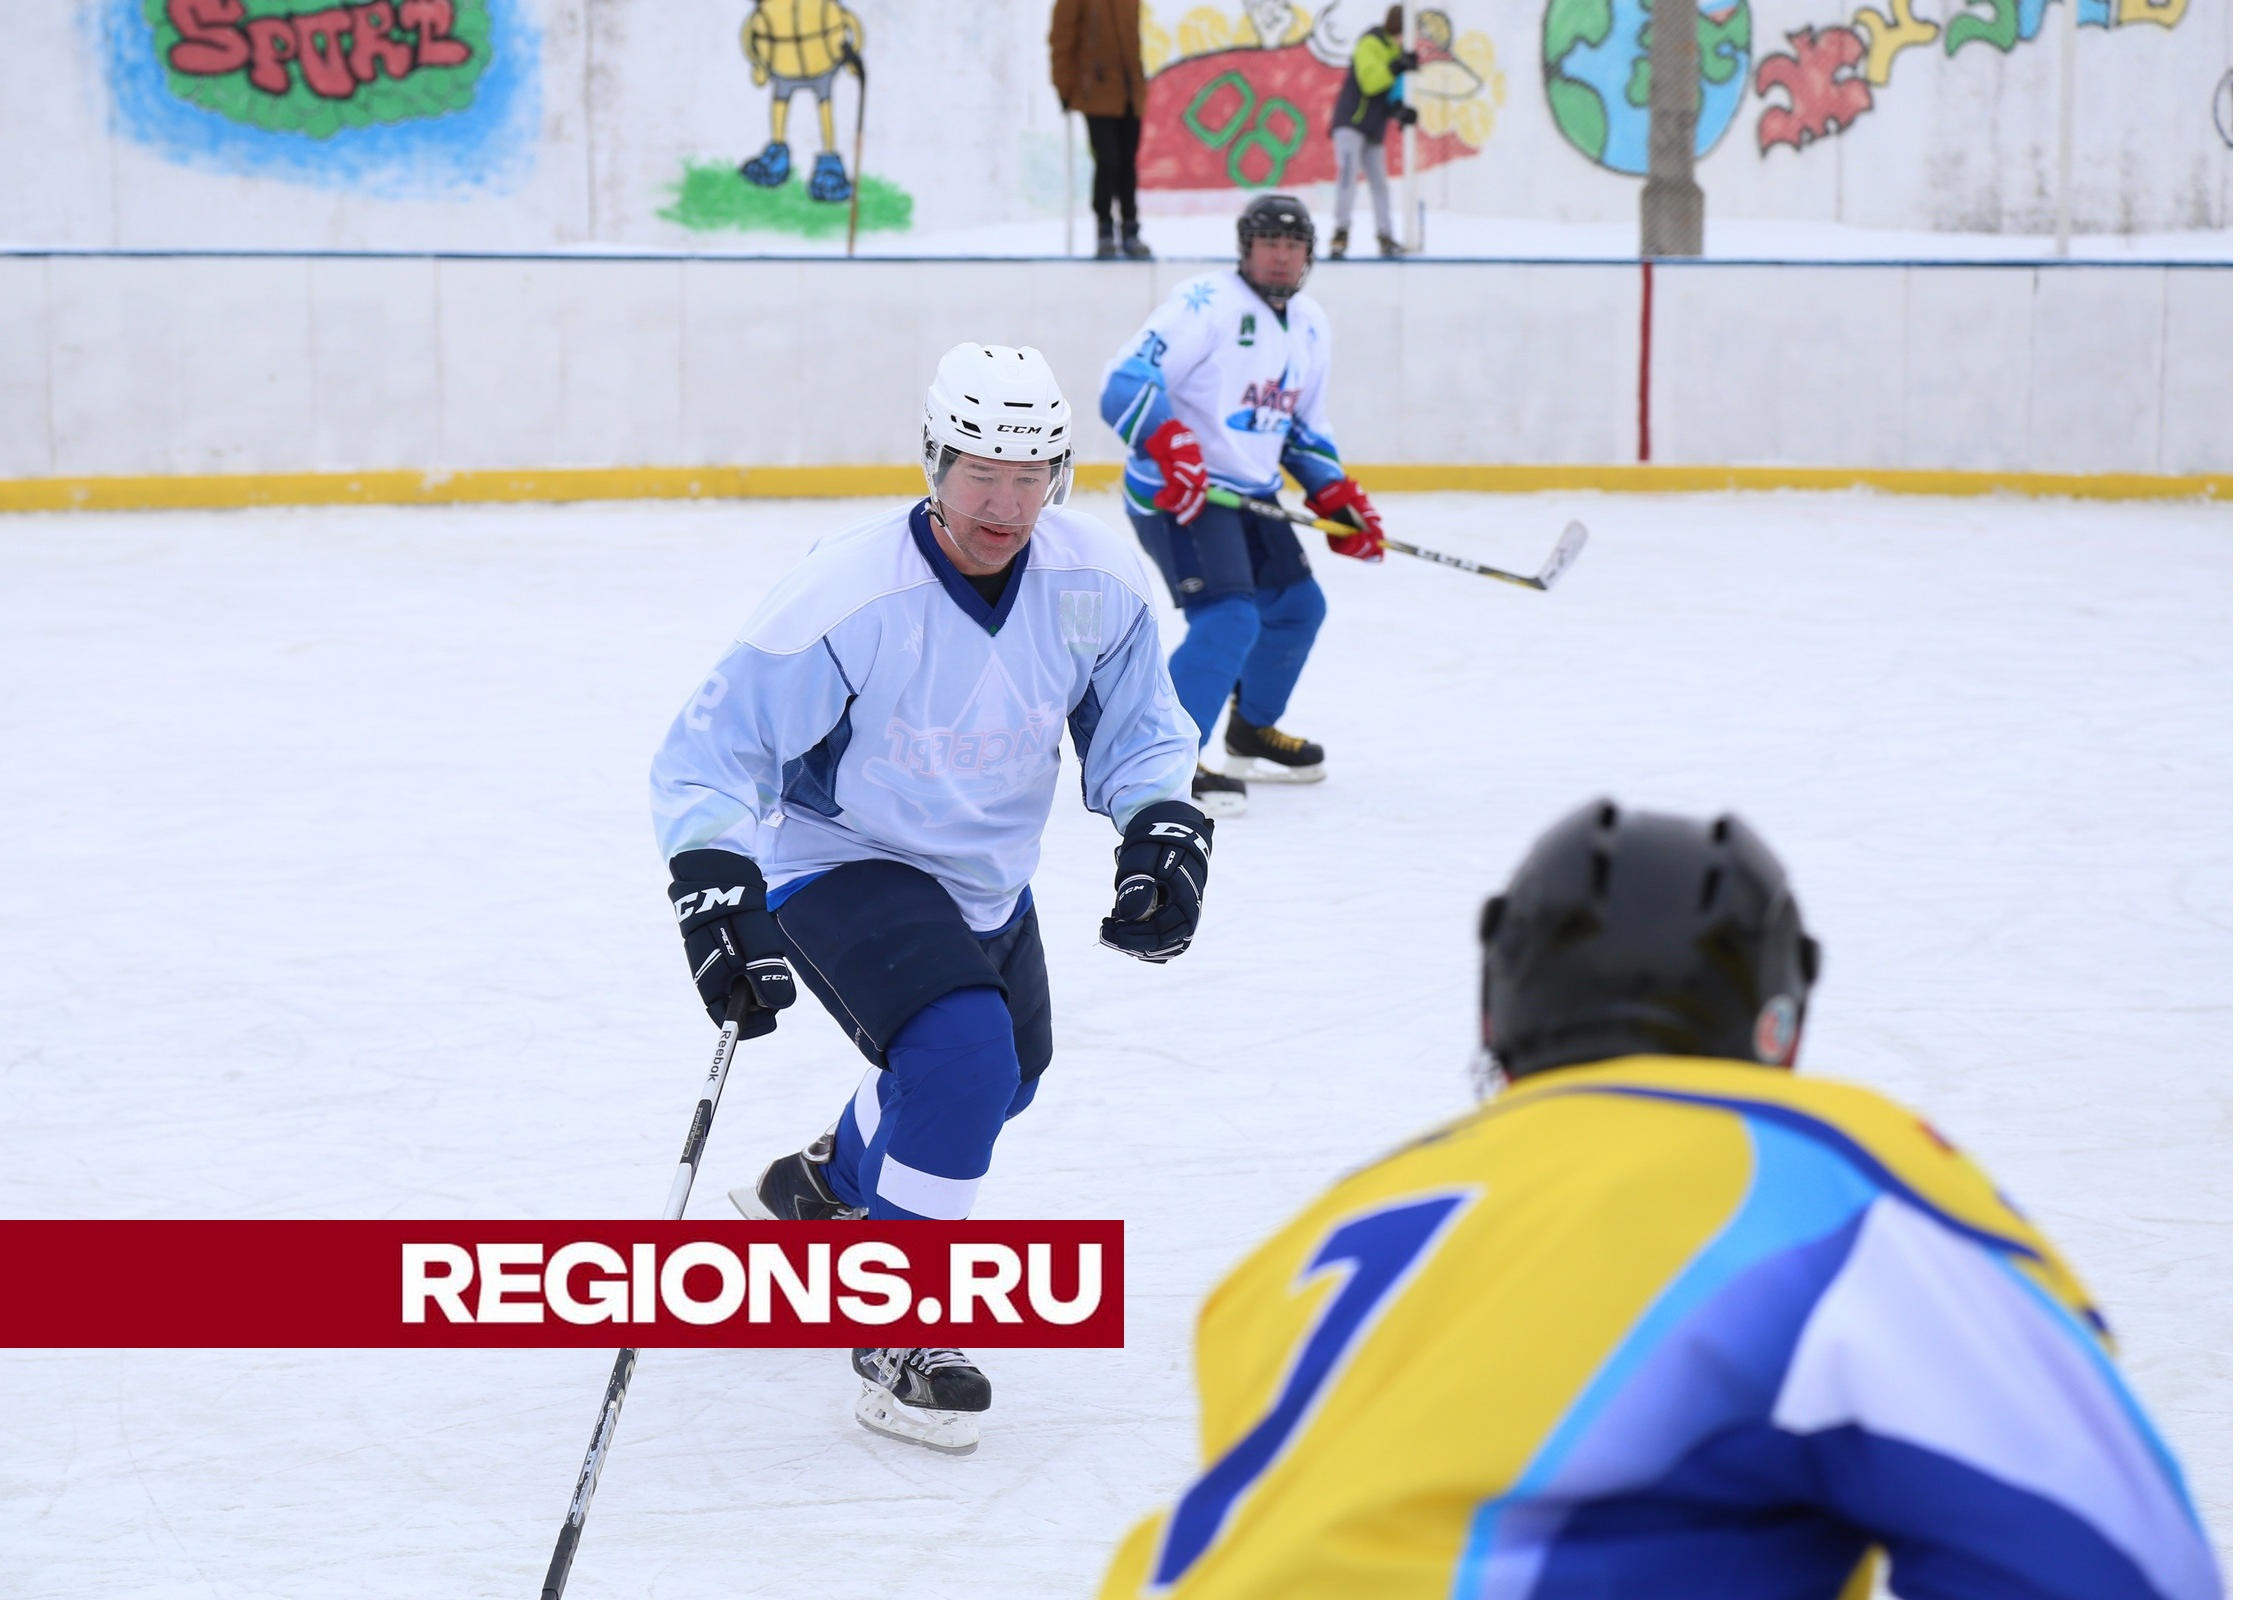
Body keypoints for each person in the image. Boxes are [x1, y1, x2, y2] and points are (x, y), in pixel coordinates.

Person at [1101, 800, 2223, 1599]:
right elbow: (2108, 1562)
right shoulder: (1831, 1175)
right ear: (1776, 1017)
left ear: (1499, 1010)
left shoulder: (1327, 1225)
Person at [650, 343, 1210, 1456]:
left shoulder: (1093, 583)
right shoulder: (847, 592)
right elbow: (714, 747)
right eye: (976, 474)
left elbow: (1138, 726)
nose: (1004, 504)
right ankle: (898, 1325)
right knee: (961, 1059)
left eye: (1029, 475)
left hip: (983, 877)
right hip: (839, 853)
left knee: (1003, 1079)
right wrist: (713, 877)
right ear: (930, 463)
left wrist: (1159, 821)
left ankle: (822, 1182)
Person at [1099, 192, 1387, 818]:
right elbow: (1123, 381)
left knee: (1297, 608)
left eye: (1293, 246)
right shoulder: (1208, 303)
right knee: (1229, 619)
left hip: (1250, 495)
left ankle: (1249, 730)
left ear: (1309, 255)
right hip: (1182, 493)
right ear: (1246, 248)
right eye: (1268, 244)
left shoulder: (1311, 322)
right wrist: (1170, 443)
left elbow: (1303, 427)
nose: (1281, 258)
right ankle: (1158, 760)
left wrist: (1333, 492)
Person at [1051, 0, 1151, 259]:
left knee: (1128, 164)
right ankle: (1104, 229)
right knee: (1108, 162)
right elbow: (1061, 41)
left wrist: (1139, 84)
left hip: (1130, 94)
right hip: (1096, 92)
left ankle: (1131, 229)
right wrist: (1064, 88)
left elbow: (1134, 39)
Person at [738, 0, 864, 204]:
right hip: (782, 65)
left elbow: (851, 23)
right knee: (781, 104)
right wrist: (758, 63)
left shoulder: (825, 6)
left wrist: (852, 57)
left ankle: (829, 165)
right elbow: (749, 31)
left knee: (824, 107)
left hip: (821, 62)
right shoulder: (769, 8)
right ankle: (776, 157)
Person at [1328, 5, 1420, 259]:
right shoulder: (1371, 42)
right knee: (1348, 175)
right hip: (1352, 122)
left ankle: (1385, 235)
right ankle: (1341, 231)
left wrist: (1400, 110)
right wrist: (1395, 66)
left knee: (1380, 183)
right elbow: (1370, 82)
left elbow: (1392, 91)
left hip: (1374, 127)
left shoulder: (1397, 52)